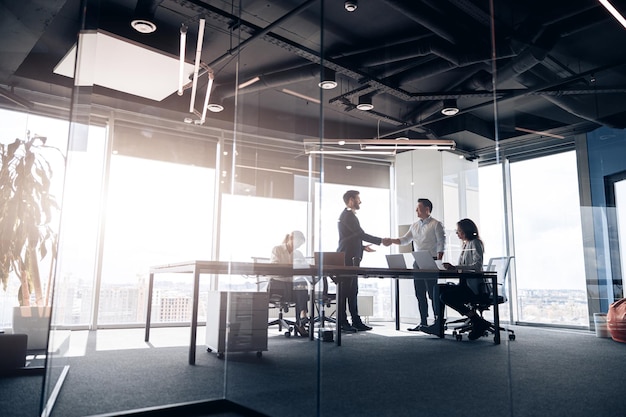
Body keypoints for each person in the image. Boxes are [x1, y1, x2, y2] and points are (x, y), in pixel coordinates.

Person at [420, 218, 491, 340]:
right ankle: (439, 325)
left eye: (458, 231)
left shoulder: (475, 243)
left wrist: (455, 267)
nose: (457, 233)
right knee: (438, 288)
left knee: (446, 296)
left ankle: (477, 321)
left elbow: (477, 266)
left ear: (465, 231)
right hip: (464, 284)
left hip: (474, 288)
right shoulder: (466, 244)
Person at [337, 190, 391, 332]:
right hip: (347, 257)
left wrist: (361, 247)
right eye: (357, 199)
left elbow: (351, 237)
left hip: (351, 256)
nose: (360, 202)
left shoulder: (348, 216)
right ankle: (343, 321)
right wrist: (380, 241)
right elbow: (360, 234)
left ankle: (355, 320)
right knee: (346, 290)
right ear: (350, 200)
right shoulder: (348, 216)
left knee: (353, 290)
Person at [388, 198, 445, 331]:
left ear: (427, 209)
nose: (416, 210)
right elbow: (405, 240)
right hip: (417, 261)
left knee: (432, 293)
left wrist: (439, 261)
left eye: (418, 208)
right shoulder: (414, 225)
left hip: (431, 260)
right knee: (419, 293)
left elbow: (441, 243)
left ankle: (437, 322)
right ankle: (423, 322)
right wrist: (391, 241)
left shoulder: (436, 224)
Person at [270, 230, 310, 337]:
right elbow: (274, 268)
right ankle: (301, 322)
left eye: (300, 245)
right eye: (297, 243)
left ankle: (302, 317)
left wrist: (302, 266)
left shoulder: (298, 254)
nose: (297, 246)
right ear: (290, 239)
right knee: (299, 285)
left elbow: (306, 268)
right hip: (278, 285)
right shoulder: (277, 249)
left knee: (300, 282)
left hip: (292, 286)